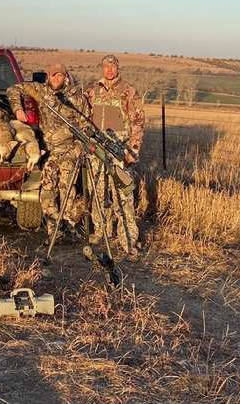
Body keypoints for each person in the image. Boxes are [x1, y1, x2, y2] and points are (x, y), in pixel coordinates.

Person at [8, 63, 91, 233]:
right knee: (47, 190)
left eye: (60, 75)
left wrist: (79, 147)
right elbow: (13, 89)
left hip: (69, 150)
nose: (56, 79)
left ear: (65, 76)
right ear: (48, 76)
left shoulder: (76, 98)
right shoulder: (40, 90)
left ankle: (69, 228)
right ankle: (53, 229)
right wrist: (17, 109)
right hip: (49, 152)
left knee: (66, 190)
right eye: (53, 75)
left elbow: (86, 126)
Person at [84, 54, 144, 257]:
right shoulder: (92, 90)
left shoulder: (128, 90)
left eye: (112, 66)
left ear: (118, 68)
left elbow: (138, 122)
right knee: (98, 192)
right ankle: (101, 230)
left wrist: (133, 150)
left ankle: (128, 239)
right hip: (97, 152)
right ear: (102, 68)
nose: (109, 70)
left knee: (122, 196)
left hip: (119, 152)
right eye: (106, 66)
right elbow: (84, 118)